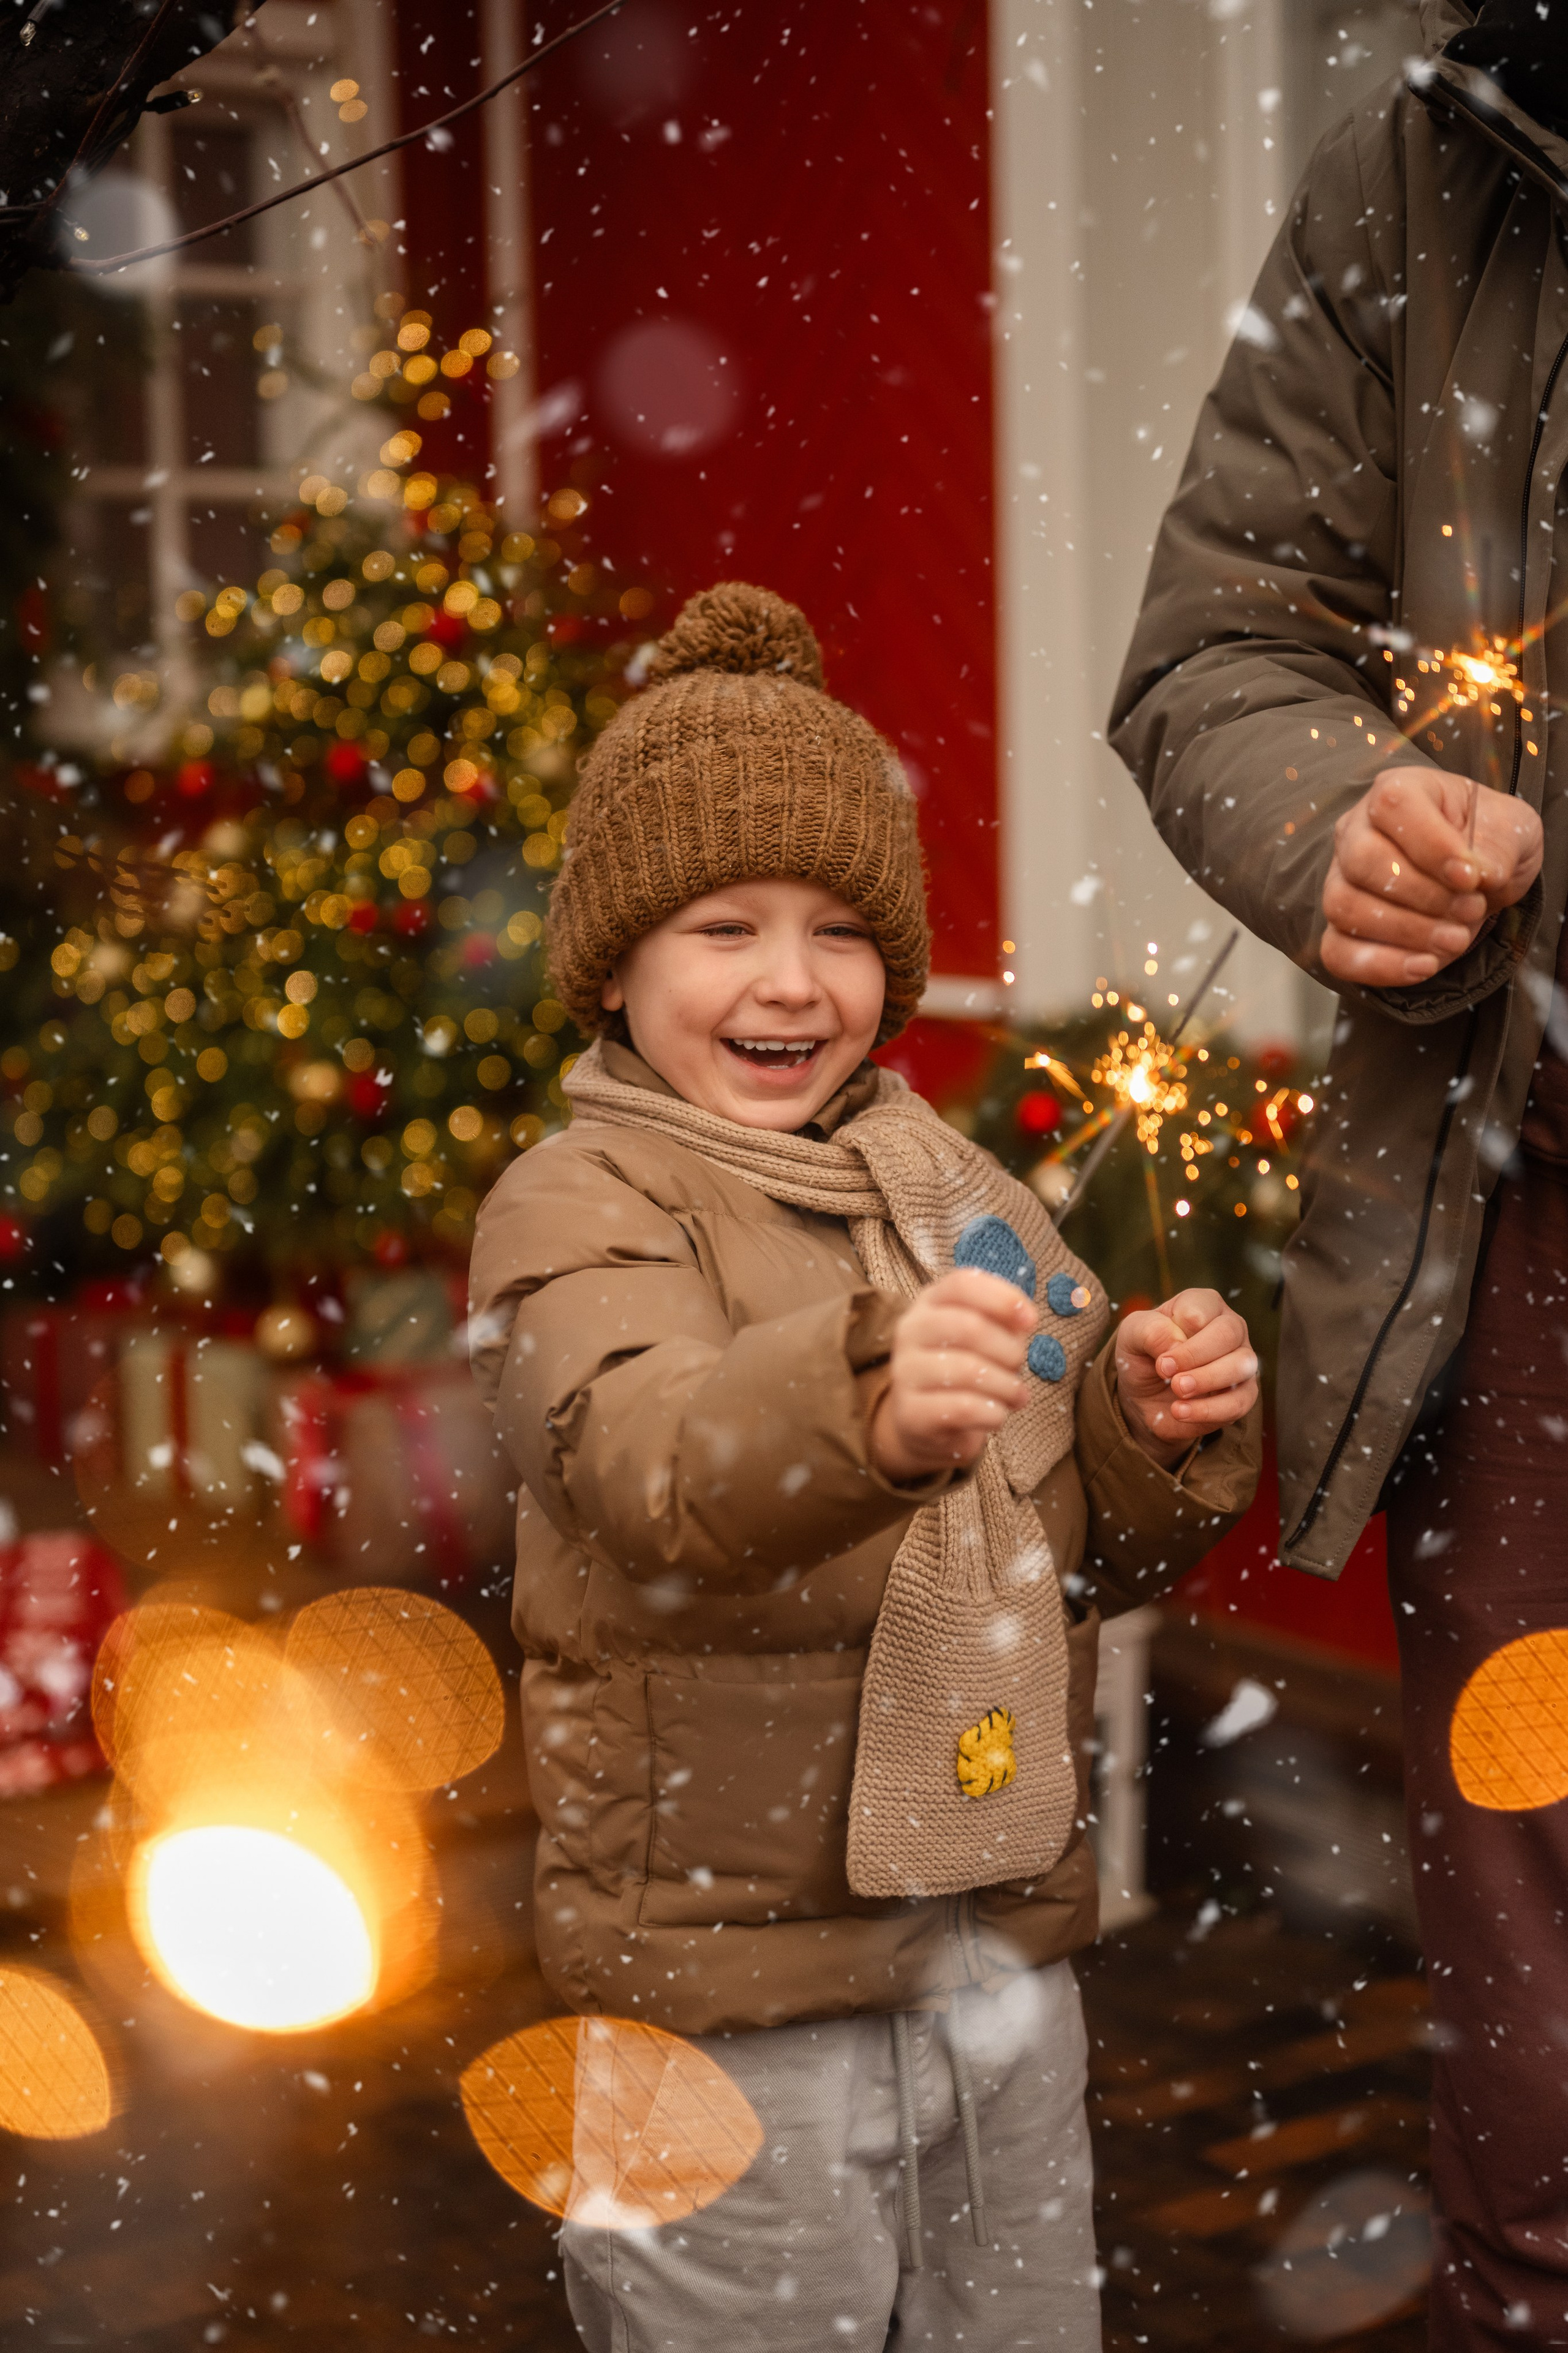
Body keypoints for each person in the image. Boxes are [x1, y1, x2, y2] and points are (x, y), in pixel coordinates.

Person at [470, 581, 1261, 2349]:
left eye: (838, 930)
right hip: (721, 1979)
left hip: (988, 1944)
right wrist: (870, 1408)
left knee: (1020, 2322)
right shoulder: (580, 1204)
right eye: (723, 925)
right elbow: (645, 1458)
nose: (789, 979)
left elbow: (1074, 1548)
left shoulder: (948, 1188)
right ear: (616, 963)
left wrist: (1146, 1423)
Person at [1110, 4, 1568, 2342]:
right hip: (1521, 1240)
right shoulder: (1429, 171)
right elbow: (1218, 644)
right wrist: (1345, 819)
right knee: (1531, 1953)